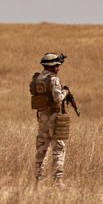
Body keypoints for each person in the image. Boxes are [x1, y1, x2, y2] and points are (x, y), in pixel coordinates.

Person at [30, 53, 71, 186]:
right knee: (59, 147)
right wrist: (66, 92)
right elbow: (58, 98)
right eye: (57, 65)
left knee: (41, 148)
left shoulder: (38, 78)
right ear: (52, 66)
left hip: (42, 117)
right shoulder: (53, 79)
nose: (59, 68)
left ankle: (38, 181)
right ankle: (58, 181)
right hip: (54, 118)